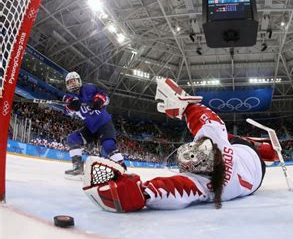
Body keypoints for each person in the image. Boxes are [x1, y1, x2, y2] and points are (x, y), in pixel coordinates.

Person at [82, 78, 279, 212]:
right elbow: (210, 123)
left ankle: (260, 148)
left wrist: (138, 193)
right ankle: (260, 148)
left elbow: (171, 189)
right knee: (230, 138)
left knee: (229, 138)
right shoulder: (216, 155)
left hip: (252, 172)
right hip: (245, 155)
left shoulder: (205, 186)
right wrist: (185, 106)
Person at [63, 71, 126, 180]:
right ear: (67, 85)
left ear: (79, 81)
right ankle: (78, 168)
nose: (72, 84)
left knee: (108, 145)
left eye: (74, 81)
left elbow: (105, 96)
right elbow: (67, 110)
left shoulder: (89, 88)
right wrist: (71, 105)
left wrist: (98, 101)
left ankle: (123, 169)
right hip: (90, 129)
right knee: (72, 139)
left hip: (104, 124)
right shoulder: (69, 97)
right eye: (70, 82)